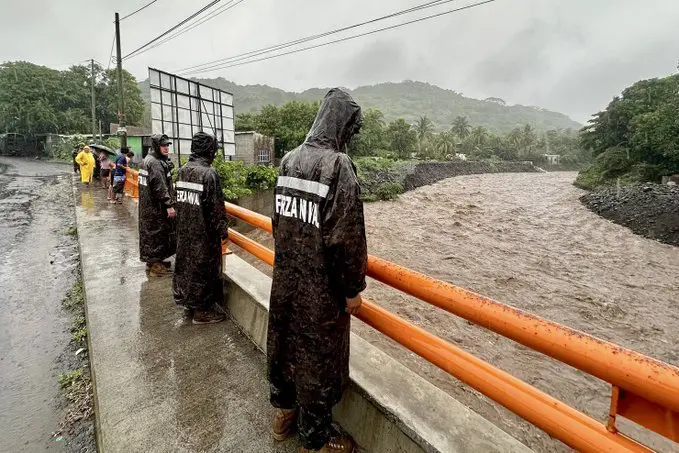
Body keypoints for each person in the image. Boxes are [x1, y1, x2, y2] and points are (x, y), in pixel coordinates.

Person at [267, 88, 367, 453]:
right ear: (342, 125)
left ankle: (284, 416)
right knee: (318, 360)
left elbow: (278, 223)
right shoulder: (338, 166)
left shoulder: (289, 160)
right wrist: (353, 289)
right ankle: (317, 440)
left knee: (285, 347)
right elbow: (346, 239)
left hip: (286, 281)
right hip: (321, 292)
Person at [173, 132, 228, 325]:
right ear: (209, 150)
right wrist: (223, 231)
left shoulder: (182, 170)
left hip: (185, 232)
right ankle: (202, 312)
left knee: (187, 267)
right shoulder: (208, 174)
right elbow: (216, 208)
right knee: (204, 270)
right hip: (203, 234)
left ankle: (190, 302)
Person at [139, 135, 176, 277]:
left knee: (151, 236)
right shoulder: (154, 163)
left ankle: (154, 261)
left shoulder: (147, 160)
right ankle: (156, 267)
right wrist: (169, 205)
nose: (166, 148)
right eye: (163, 145)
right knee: (157, 235)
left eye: (167, 145)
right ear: (156, 146)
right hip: (156, 207)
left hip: (147, 206)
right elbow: (160, 187)